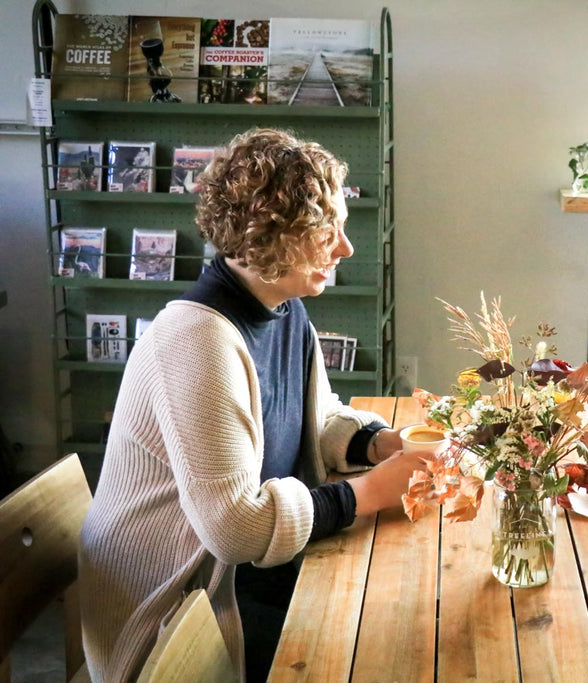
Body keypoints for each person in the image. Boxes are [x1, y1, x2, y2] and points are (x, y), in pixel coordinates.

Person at [78, 128, 422, 682]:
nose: (345, 248)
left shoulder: (284, 311)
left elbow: (314, 419)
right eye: (326, 229)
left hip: (239, 580)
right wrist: (371, 491)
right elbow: (235, 527)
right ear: (274, 237)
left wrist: (378, 444)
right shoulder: (197, 339)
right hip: (175, 611)